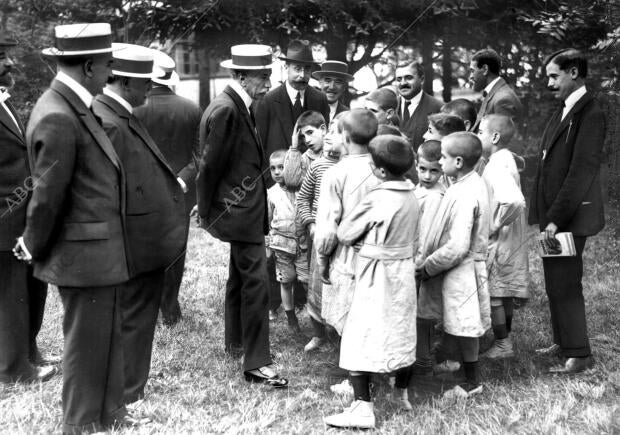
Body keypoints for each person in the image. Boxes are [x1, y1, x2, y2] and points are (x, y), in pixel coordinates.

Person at [13, 23, 140, 432]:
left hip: (97, 251)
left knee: (105, 334)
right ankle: (81, 422)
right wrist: (32, 244)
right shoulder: (58, 114)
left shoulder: (72, 105)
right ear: (89, 66)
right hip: (82, 254)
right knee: (86, 342)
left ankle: (109, 412)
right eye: (108, 65)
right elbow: (47, 195)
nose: (112, 73)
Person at [92, 43, 187, 406]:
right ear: (123, 81)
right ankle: (128, 396)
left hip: (137, 245)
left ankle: (129, 391)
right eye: (144, 81)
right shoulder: (111, 122)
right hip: (132, 245)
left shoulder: (120, 114)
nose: (151, 88)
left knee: (135, 320)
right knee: (133, 320)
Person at [196, 44, 288, 387]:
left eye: (268, 74)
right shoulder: (227, 110)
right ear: (240, 76)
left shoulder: (237, 105)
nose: (268, 81)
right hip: (240, 211)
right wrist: (206, 213)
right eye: (262, 76)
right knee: (256, 284)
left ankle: (236, 343)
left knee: (240, 277)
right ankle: (257, 363)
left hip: (243, 210)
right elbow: (208, 167)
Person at [323, 135, 418, 429]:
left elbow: (346, 233)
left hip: (376, 271)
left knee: (359, 334)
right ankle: (401, 393)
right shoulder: (412, 194)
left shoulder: (377, 197)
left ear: (379, 171)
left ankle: (363, 407)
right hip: (403, 271)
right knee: (400, 328)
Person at [528, 48, 605, 374]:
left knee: (566, 281)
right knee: (554, 279)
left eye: (553, 76)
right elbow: (549, 162)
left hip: (569, 216)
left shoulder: (591, 113)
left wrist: (555, 219)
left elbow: (580, 173)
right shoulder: (564, 109)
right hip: (554, 215)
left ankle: (579, 354)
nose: (549, 83)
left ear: (574, 72)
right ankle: (563, 341)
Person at [0, 34, 57, 384]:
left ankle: (29, 351)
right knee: (9, 296)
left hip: (20, 216)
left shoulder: (4, 101)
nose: (8, 64)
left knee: (29, 289)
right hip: (4, 220)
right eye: (0, 58)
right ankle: (13, 370)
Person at [416, 132, 491, 398]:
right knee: (461, 323)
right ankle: (463, 372)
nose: (440, 161)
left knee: (466, 324)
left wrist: (427, 267)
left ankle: (472, 382)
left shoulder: (466, 193)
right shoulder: (464, 183)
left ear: (458, 161)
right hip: (457, 268)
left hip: (462, 269)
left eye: (443, 158)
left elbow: (458, 246)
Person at [134, 49, 202, 327]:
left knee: (144, 248)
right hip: (180, 194)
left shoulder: (134, 109)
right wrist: (182, 180)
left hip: (143, 194)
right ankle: (170, 309)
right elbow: (200, 156)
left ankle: (146, 306)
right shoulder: (191, 108)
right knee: (176, 251)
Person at [315, 108, 379, 336]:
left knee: (349, 309)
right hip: (379, 252)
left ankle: (353, 368)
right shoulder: (382, 168)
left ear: (346, 137)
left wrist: (322, 258)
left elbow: (327, 225)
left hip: (347, 255)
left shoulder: (335, 173)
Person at [478, 114, 529, 359]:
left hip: (502, 237)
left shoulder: (496, 165)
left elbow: (515, 200)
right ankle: (503, 338)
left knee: (496, 293)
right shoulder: (503, 158)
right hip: (510, 236)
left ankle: (502, 343)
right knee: (503, 290)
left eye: (480, 133)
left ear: (495, 137)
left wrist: (494, 224)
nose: (477, 137)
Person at [295, 113, 343, 352]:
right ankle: (318, 333)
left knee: (339, 282)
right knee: (315, 283)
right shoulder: (317, 166)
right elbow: (303, 198)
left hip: (344, 238)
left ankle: (341, 331)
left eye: (337, 133)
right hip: (319, 236)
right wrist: (311, 224)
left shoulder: (351, 166)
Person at [255, 39, 330, 160]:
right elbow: (260, 146)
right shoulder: (267, 101)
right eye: (297, 68)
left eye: (307, 69)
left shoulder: (320, 99)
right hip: (279, 176)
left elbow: (325, 142)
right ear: (286, 67)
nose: (302, 75)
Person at [412, 139, 446, 376]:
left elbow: (428, 236)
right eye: (422, 169)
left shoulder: (436, 196)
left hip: (424, 262)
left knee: (423, 313)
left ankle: (423, 361)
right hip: (416, 257)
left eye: (434, 171)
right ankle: (420, 355)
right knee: (417, 311)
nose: (427, 175)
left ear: (442, 169)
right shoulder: (420, 189)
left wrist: (419, 264)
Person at [266, 150, 309, 334]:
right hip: (282, 247)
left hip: (302, 245)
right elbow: (267, 222)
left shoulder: (303, 189)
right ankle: (291, 317)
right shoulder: (271, 193)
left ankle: (316, 316)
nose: (277, 172)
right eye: (273, 168)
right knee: (286, 281)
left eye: (281, 167)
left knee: (307, 280)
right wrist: (268, 243)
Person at [469, 48, 523, 132]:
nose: (470, 77)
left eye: (472, 71)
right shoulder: (494, 93)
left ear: (485, 69)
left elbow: (503, 140)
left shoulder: (503, 99)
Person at [395, 61, 442, 149]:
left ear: (422, 79)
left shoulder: (439, 108)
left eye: (408, 78)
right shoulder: (389, 107)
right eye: (399, 79)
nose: (403, 83)